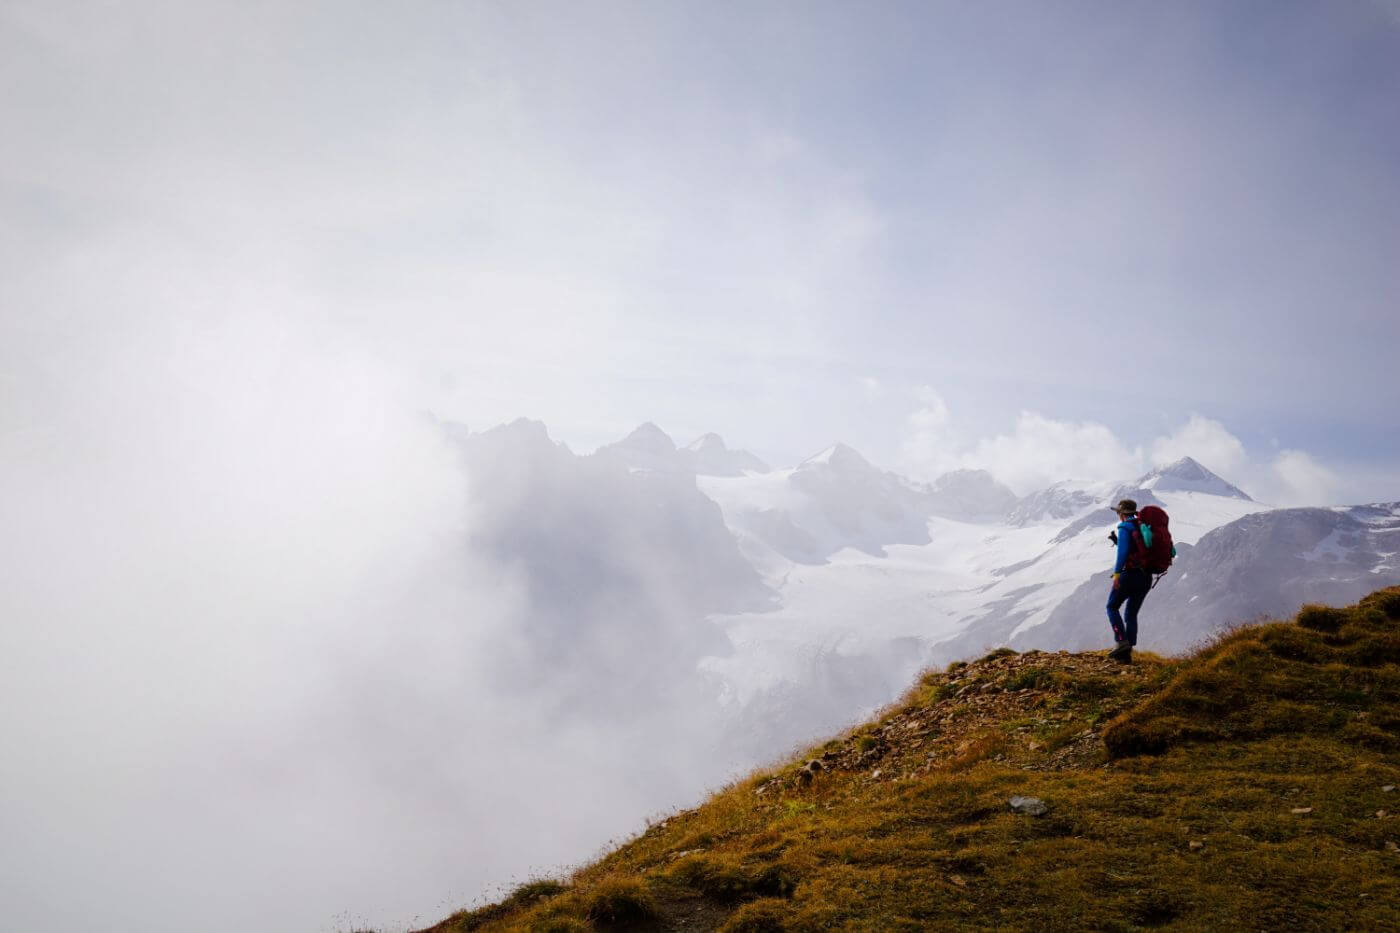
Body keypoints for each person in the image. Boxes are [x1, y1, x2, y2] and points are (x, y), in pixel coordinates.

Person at [1106, 499, 1151, 663]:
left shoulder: (1125, 527)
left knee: (1112, 607)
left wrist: (1117, 574)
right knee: (1131, 614)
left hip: (1129, 575)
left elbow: (1123, 553)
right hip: (1146, 577)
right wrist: (1117, 541)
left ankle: (1121, 641)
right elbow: (1137, 550)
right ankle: (1126, 655)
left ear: (1121, 513)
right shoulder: (1143, 525)